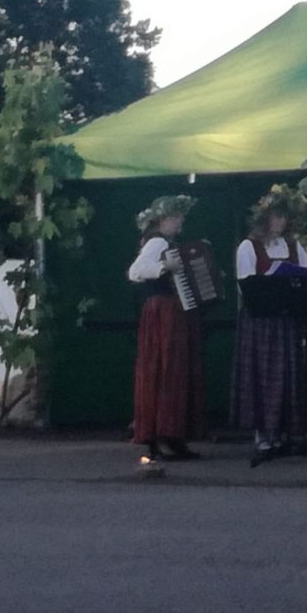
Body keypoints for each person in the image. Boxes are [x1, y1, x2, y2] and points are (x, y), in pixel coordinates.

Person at [230, 184, 307, 452]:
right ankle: (262, 431)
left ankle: (285, 429)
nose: (280, 222)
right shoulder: (249, 246)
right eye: (276, 216)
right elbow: (246, 285)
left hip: (286, 320)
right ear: (264, 218)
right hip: (261, 321)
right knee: (262, 375)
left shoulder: (294, 245)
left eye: (284, 217)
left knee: (288, 375)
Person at [127, 195, 204, 461]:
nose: (181, 221)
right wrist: (164, 266)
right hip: (163, 312)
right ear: (164, 219)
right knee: (166, 370)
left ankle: (173, 435)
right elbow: (136, 271)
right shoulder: (157, 242)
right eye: (177, 217)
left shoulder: (169, 243)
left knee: (175, 372)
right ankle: (161, 436)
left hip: (173, 312)